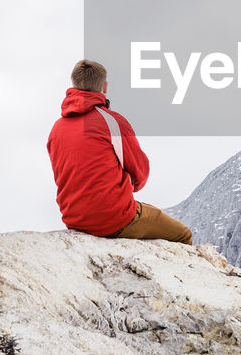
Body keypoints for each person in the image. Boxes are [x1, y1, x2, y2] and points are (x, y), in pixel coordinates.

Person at [47, 59, 193, 244]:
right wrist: (126, 188)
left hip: (73, 218)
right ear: (104, 86)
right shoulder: (112, 122)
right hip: (113, 218)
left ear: (74, 84)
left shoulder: (57, 129)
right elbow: (140, 170)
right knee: (183, 234)